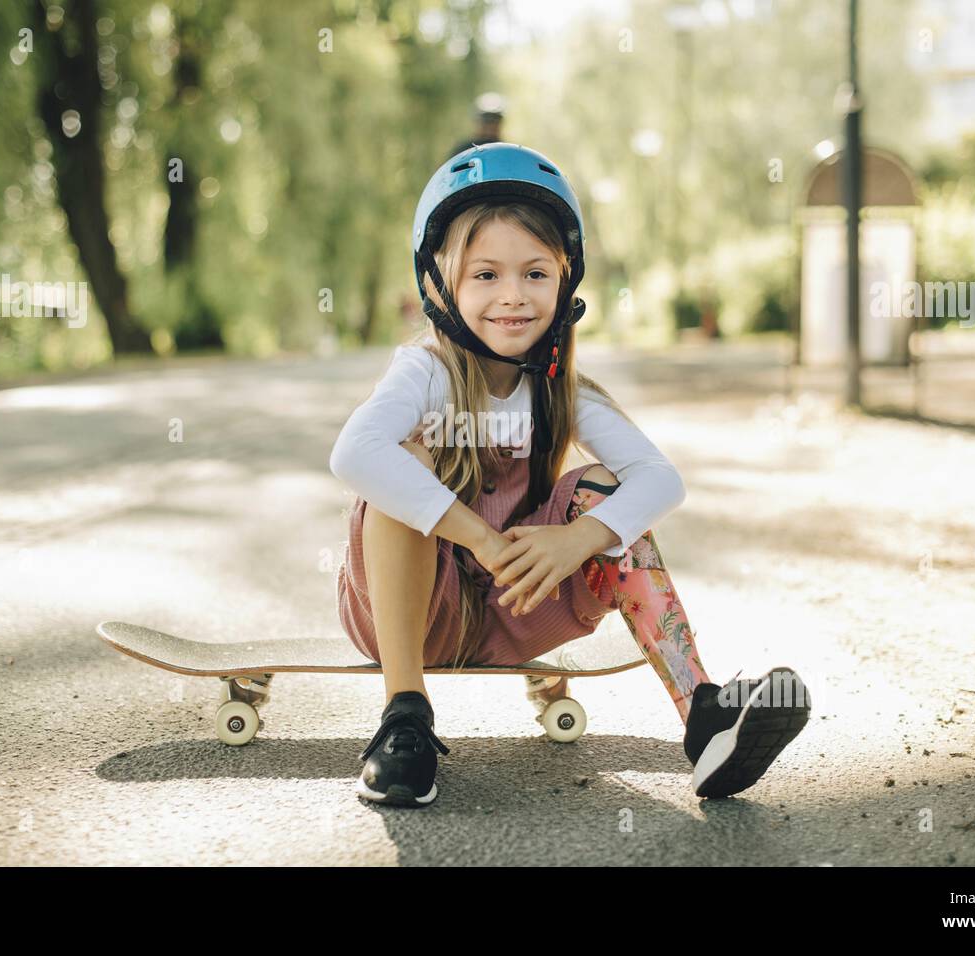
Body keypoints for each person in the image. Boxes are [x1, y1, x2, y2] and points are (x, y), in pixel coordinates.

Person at [329, 142, 810, 808]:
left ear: (564, 279)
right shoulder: (425, 372)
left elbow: (660, 479)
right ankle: (403, 719)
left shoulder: (563, 390)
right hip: (411, 617)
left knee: (607, 493)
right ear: (442, 282)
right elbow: (353, 454)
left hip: (518, 608)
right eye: (486, 275)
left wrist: (576, 540)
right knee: (395, 462)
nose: (513, 297)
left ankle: (706, 717)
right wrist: (482, 538)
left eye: (534, 274)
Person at [445, 91, 505, 163]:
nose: (490, 125)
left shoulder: (506, 150)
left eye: (495, 120)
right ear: (477, 122)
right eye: (486, 120)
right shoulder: (462, 152)